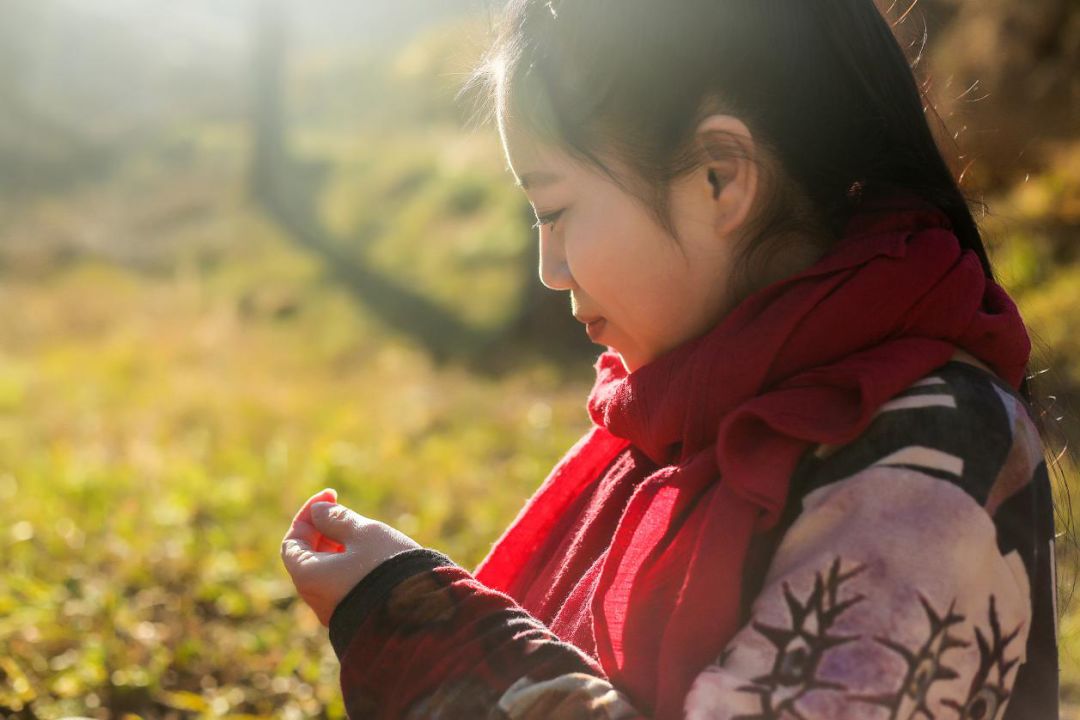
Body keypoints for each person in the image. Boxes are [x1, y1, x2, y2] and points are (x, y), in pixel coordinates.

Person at [280, 1, 1061, 717]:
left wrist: (416, 624)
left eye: (555, 211)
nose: (550, 268)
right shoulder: (686, 411)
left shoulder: (926, 467)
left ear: (720, 177)